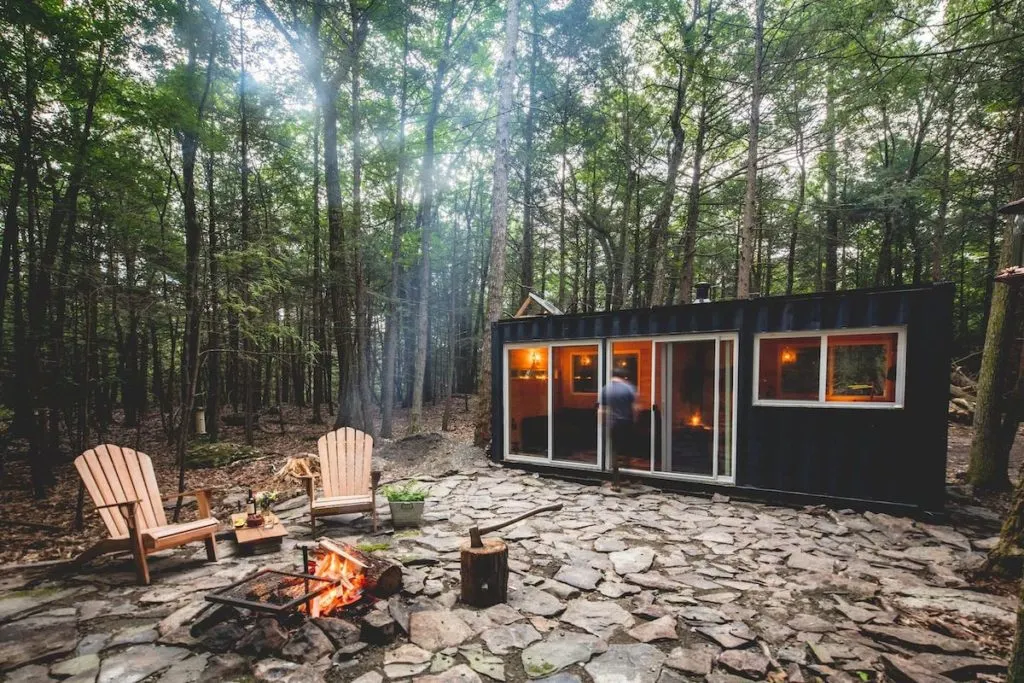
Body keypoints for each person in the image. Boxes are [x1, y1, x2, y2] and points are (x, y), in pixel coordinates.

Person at [598, 368, 638, 490]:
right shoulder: (629, 387)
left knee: (615, 452)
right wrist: (634, 421)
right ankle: (627, 479)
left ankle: (616, 483)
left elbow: (601, 410)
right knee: (627, 450)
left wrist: (601, 424)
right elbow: (635, 408)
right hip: (627, 422)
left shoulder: (606, 388)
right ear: (623, 376)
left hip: (614, 423)